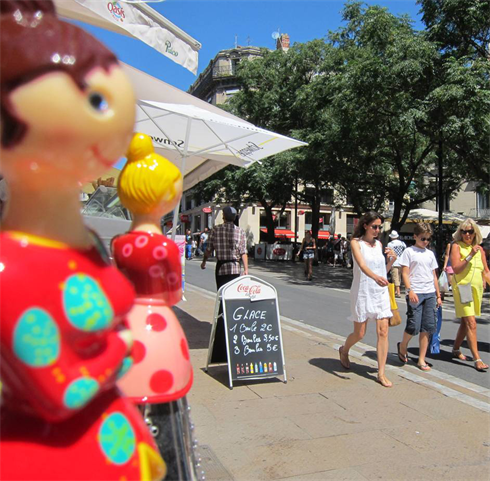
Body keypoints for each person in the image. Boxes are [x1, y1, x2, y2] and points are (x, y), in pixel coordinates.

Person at [0, 2, 165, 479]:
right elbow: (58, 393)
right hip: (52, 460)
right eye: (95, 101)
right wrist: (123, 349)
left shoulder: (89, 240)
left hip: (112, 438)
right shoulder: (8, 270)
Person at [339, 211, 396, 388]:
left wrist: (391, 261)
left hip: (379, 291)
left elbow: (381, 271)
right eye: (374, 226)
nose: (378, 230)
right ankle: (344, 350)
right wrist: (376, 278)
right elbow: (362, 266)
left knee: (383, 331)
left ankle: (381, 373)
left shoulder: (379, 244)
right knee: (360, 333)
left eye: (379, 227)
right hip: (363, 290)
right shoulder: (356, 243)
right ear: (365, 225)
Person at [397, 223, 442, 371]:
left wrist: (438, 295)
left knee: (427, 327)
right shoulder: (409, 252)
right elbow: (404, 272)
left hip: (429, 293)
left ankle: (421, 359)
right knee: (413, 325)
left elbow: (434, 275)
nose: (426, 242)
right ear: (415, 236)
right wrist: (409, 290)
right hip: (415, 292)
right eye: (423, 238)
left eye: (428, 239)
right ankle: (403, 345)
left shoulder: (430, 254)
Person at [450, 219, 490, 371]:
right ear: (460, 233)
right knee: (471, 323)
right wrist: (469, 256)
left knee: (465, 322)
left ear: (475, 234)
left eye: (470, 231)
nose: (467, 234)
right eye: (464, 231)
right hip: (463, 287)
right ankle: (477, 358)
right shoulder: (456, 246)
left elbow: (485, 271)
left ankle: (455, 349)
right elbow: (456, 268)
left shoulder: (480, 250)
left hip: (476, 289)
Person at [201, 206, 248, 290]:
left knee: (222, 293)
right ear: (234, 218)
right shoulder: (241, 231)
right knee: (233, 294)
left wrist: (204, 262)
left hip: (221, 267)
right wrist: (246, 269)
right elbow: (243, 252)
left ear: (223, 216)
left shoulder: (215, 230)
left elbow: (209, 249)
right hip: (235, 268)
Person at [387, 230, 407, 297]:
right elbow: (405, 251)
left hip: (394, 262)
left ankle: (398, 292)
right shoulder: (402, 243)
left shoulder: (390, 244)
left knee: (395, 277)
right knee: (399, 277)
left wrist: (388, 262)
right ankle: (396, 291)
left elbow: (388, 254)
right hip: (402, 262)